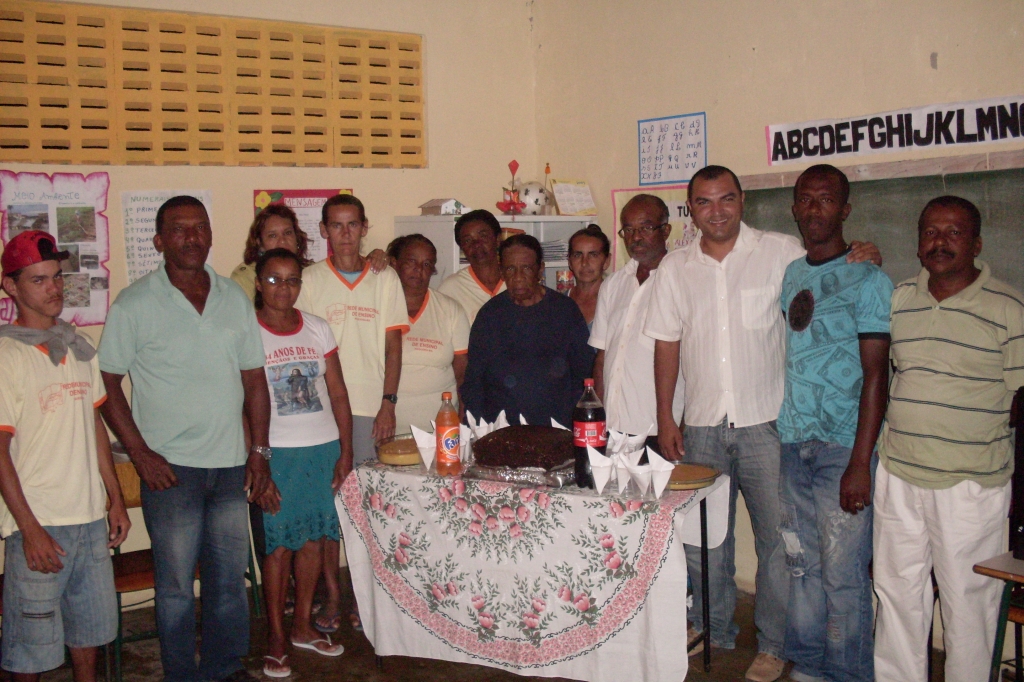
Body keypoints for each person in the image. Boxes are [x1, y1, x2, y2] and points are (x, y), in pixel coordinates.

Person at [643, 165, 880, 682]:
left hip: (769, 424)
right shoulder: (675, 268)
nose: (717, 211)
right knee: (704, 537)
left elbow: (831, 270)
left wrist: (866, 254)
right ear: (691, 210)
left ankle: (773, 643)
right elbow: (667, 344)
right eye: (704, 202)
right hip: (701, 423)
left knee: (778, 541)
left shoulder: (781, 252)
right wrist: (665, 418)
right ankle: (713, 627)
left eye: (726, 198)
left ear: (742, 201)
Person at [99, 195, 276, 682]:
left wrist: (259, 453)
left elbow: (254, 380)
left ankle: (223, 667)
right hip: (169, 470)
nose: (191, 237)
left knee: (228, 580)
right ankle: (180, 673)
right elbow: (106, 383)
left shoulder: (233, 297)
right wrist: (140, 454)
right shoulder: (134, 303)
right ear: (159, 240)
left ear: (211, 235)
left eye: (200, 227)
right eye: (179, 229)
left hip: (230, 464)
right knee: (176, 585)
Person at [874, 196, 1024, 682]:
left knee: (969, 604)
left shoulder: (1008, 307)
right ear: (918, 242)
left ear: (976, 244)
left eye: (954, 232)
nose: (940, 242)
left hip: (970, 484)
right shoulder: (900, 297)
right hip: (898, 473)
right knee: (896, 594)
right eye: (930, 232)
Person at [777, 165, 892, 682]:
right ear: (794, 208)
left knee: (843, 576)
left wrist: (860, 463)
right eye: (805, 199)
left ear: (845, 210)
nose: (814, 208)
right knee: (802, 566)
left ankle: (847, 674)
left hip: (843, 448)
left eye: (826, 199)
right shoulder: (791, 275)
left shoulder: (870, 279)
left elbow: (877, 376)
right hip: (793, 442)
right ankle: (808, 664)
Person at [0, 231, 130, 682]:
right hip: (40, 522)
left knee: (89, 633)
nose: (53, 288)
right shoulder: (7, 355)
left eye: (57, 277)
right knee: (31, 648)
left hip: (88, 519)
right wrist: (29, 529)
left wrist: (114, 499)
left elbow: (94, 426)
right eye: (38, 280)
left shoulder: (77, 346)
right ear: (11, 287)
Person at [295, 193, 408, 633]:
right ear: (324, 230)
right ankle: (334, 595)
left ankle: (368, 598)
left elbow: (393, 345)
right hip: (320, 412)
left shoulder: (384, 277)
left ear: (364, 228)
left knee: (367, 512)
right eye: (336, 225)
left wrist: (388, 402)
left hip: (369, 410)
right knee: (329, 512)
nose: (345, 234)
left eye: (353, 225)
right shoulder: (308, 279)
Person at [253, 248, 354, 676]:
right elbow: (240, 404)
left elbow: (338, 393)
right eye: (274, 279)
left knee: (313, 540)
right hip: (276, 455)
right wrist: (257, 463)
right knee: (278, 548)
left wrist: (346, 451)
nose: (284, 288)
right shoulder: (247, 332)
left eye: (292, 279)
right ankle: (276, 637)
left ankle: (301, 628)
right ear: (258, 284)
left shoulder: (317, 328)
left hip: (322, 449)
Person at [462, 233, 594, 426]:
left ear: (540, 269)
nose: (518, 278)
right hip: (501, 430)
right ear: (501, 271)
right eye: (510, 269)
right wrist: (475, 429)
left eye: (526, 268)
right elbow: (474, 381)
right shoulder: (489, 315)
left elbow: (583, 373)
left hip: (556, 429)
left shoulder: (564, 311)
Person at [590, 195, 684, 451]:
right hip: (613, 427)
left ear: (666, 230)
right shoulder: (613, 284)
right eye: (629, 230)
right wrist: (599, 418)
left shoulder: (682, 280)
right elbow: (603, 356)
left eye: (645, 228)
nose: (636, 237)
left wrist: (679, 424)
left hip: (661, 428)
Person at [386, 234, 470, 432]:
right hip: (386, 424)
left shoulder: (450, 310)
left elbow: (463, 373)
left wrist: (463, 415)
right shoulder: (380, 306)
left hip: (440, 426)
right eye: (411, 262)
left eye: (426, 264)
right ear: (395, 263)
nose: (419, 270)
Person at [438, 209, 507, 324]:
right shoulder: (450, 289)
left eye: (483, 236)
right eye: (467, 240)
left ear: (498, 239)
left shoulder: (516, 280)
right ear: (462, 248)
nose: (476, 245)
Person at [232, 205, 313, 301]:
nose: (282, 241)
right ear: (259, 243)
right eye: (273, 235)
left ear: (297, 237)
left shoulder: (312, 271)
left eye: (288, 233)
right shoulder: (245, 278)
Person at [567, 224, 611, 328]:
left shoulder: (617, 302)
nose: (584, 263)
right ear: (570, 262)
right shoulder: (558, 303)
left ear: (606, 261)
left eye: (593, 255)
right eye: (577, 255)